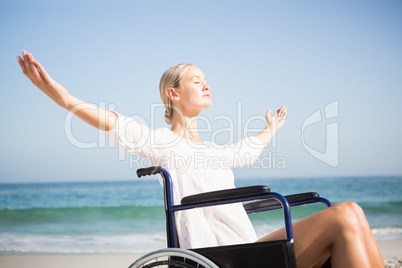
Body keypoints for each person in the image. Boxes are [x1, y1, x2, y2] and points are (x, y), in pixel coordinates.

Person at [17, 50, 384, 268]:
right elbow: (115, 123)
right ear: (173, 94)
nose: (206, 84)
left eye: (206, 79)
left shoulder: (213, 152)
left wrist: (271, 129)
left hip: (248, 250)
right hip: (221, 259)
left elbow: (245, 149)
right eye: (196, 80)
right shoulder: (161, 143)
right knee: (346, 213)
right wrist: (63, 98)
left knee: (354, 213)